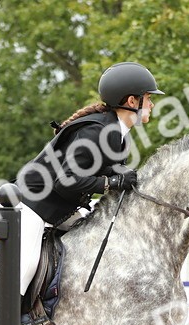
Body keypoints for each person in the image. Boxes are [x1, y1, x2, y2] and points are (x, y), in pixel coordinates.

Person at [10, 62, 164, 298]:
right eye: (148, 98)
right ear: (132, 102)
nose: (152, 104)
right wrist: (110, 183)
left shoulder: (116, 133)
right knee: (25, 269)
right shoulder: (96, 132)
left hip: (59, 209)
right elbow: (66, 180)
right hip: (31, 205)